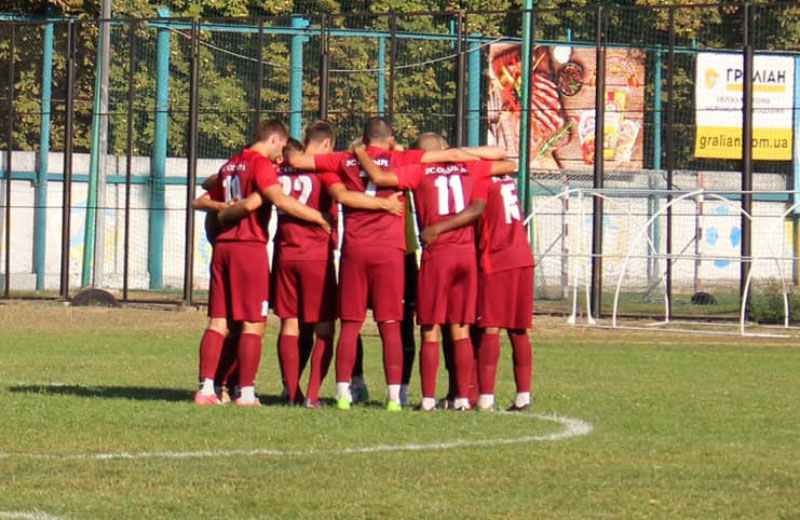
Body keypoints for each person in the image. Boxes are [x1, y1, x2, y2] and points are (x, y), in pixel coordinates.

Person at [289, 118, 490, 411]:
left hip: (355, 249)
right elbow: (453, 155)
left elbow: (298, 161)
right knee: (391, 324)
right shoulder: (403, 158)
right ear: (391, 139)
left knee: (350, 325)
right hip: (392, 251)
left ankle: (343, 393)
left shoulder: (342, 159)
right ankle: (395, 396)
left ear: (364, 139)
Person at [353, 134, 515, 410]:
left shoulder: (418, 170)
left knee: (430, 329)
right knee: (461, 329)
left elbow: (379, 177)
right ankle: (462, 398)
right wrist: (459, 154)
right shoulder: (470, 168)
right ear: (443, 149)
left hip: (437, 255)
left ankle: (428, 399)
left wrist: (359, 152)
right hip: (465, 255)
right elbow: (508, 163)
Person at [196, 119, 331, 407]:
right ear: (273, 140)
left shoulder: (231, 165)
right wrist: (319, 217)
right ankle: (245, 392)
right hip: (249, 248)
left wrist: (223, 209)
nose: (280, 153)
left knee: (219, 321)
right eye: (280, 146)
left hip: (222, 248)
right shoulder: (261, 165)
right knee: (254, 323)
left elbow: (205, 193)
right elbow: (280, 200)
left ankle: (206, 388)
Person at [273, 123, 403, 407]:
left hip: (284, 252)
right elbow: (343, 195)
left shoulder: (280, 167)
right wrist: (384, 204)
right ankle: (313, 395)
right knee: (328, 327)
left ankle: (290, 392)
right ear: (327, 144)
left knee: (290, 325)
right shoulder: (327, 168)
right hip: (317, 255)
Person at [421, 170, 534, 411]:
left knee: (489, 326)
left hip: (496, 257)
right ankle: (523, 395)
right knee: (518, 329)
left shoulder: (478, 178)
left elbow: (474, 211)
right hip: (523, 254)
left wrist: (437, 229)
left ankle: (484, 398)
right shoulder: (505, 177)